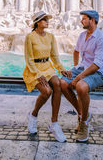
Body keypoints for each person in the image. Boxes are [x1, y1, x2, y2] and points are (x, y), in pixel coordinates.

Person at [61, 10, 103, 142]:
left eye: (84, 19)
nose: (81, 21)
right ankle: (83, 114)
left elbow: (96, 65)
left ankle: (83, 122)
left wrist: (77, 78)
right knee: (62, 83)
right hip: (83, 68)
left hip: (98, 73)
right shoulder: (82, 35)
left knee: (81, 86)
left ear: (92, 20)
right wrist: (75, 68)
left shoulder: (102, 38)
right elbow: (76, 51)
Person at [23, 10, 71, 142]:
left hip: (48, 67)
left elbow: (55, 57)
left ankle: (54, 124)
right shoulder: (30, 37)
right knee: (46, 91)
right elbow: (28, 58)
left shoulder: (51, 36)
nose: (47, 21)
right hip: (34, 69)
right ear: (37, 22)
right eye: (44, 19)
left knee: (58, 84)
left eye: (47, 19)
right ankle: (33, 115)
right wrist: (38, 74)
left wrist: (61, 69)